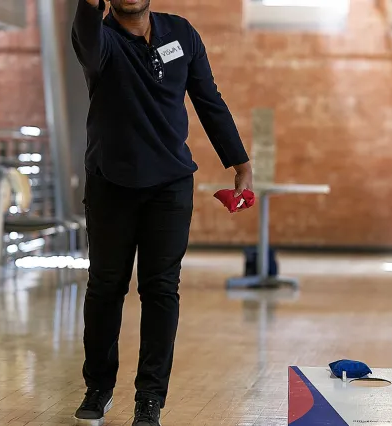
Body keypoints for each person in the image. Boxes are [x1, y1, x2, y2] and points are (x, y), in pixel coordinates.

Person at [71, 0, 253, 425]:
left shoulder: (181, 33)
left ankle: (149, 398)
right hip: (111, 184)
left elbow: (208, 98)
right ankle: (98, 386)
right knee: (105, 287)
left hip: (170, 187)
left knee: (161, 290)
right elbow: (88, 38)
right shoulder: (100, 39)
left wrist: (239, 161)